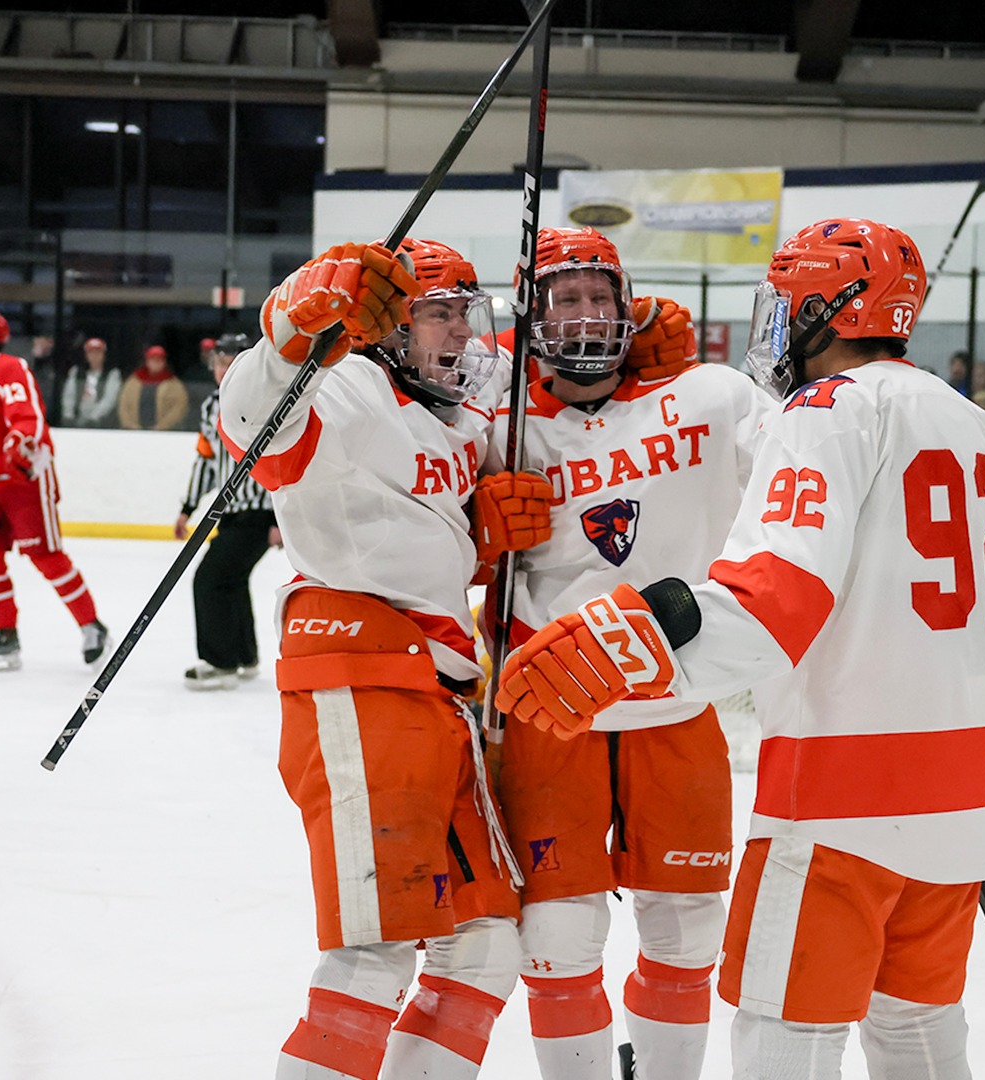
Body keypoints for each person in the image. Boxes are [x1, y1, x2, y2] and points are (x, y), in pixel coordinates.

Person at [496, 218, 985, 1080]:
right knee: (915, 1024)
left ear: (828, 309)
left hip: (845, 792)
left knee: (781, 1028)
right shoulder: (974, 422)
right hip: (976, 790)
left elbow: (773, 598)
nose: (779, 323)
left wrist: (621, 648)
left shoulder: (821, 412)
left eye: (789, 304)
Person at [219, 238, 548, 1079]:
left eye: (466, 314)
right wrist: (294, 327)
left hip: (440, 694)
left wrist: (483, 542)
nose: (461, 333)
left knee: (484, 948)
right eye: (440, 313)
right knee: (376, 952)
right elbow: (254, 425)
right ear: (389, 329)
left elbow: (428, 545)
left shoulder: (459, 415)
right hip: (363, 676)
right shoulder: (353, 387)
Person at [486, 225, 776, 1080]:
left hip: (677, 707)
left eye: (601, 295)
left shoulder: (710, 396)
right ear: (530, 317)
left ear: (629, 305)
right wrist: (475, 534)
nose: (585, 315)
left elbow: (813, 464)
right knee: (559, 934)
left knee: (687, 929)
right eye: (563, 298)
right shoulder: (492, 422)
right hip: (548, 714)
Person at [0, 308, 108, 670]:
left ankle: (92, 626)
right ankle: (4, 635)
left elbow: (26, 416)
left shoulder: (9, 367)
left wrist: (20, 441)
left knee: (45, 555)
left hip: (24, 481)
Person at [175, 332, 280, 689]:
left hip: (258, 513)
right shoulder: (211, 407)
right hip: (232, 515)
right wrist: (188, 507)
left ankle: (220, 662)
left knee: (211, 579)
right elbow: (207, 460)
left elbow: (281, 459)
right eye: (219, 361)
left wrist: (278, 518)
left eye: (232, 360)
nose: (224, 368)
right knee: (231, 580)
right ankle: (244, 656)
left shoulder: (264, 401)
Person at [118, 343, 190, 430]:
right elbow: (123, 406)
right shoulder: (133, 382)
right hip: (134, 432)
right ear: (147, 361)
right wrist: (130, 425)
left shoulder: (174, 385)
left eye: (159, 360)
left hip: (164, 433)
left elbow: (179, 408)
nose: (156, 363)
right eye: (152, 359)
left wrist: (162, 426)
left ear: (164, 362)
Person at [59, 336, 122, 428]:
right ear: (86, 355)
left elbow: (109, 399)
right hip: (77, 420)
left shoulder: (112, 374)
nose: (94, 356)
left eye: (98, 352)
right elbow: (69, 396)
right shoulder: (76, 372)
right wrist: (69, 416)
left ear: (103, 355)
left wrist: (94, 418)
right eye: (91, 353)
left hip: (101, 422)